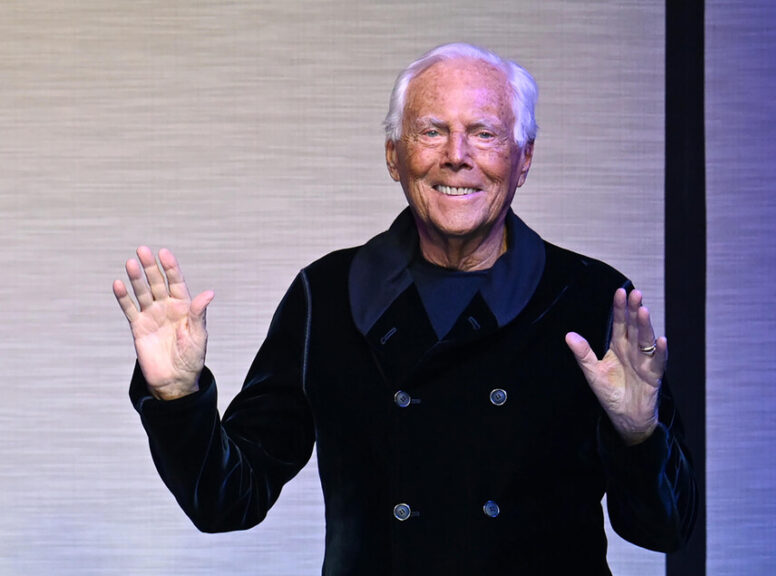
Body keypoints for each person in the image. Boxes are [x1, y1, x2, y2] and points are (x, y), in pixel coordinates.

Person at [113, 43, 697, 575]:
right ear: (394, 156)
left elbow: (664, 530)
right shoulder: (327, 294)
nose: (457, 156)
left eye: (485, 134)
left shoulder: (593, 297)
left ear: (523, 160)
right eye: (431, 131)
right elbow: (228, 501)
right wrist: (177, 399)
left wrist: (639, 435)